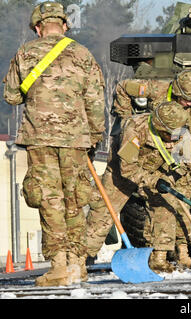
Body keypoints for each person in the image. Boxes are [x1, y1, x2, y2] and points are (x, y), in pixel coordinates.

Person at [2, 1, 105, 287]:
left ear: (37, 27)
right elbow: (96, 101)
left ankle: (58, 265)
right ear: (65, 25)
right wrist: (94, 137)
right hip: (75, 140)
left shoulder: (25, 53)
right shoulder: (83, 54)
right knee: (75, 200)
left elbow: (11, 95)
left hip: (39, 138)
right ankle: (77, 264)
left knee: (50, 200)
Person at [85, 71, 191, 267]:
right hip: (122, 173)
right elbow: (127, 169)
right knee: (101, 213)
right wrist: (124, 120)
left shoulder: (181, 130)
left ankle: (159, 258)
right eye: (185, 99)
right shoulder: (134, 131)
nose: (189, 104)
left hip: (156, 168)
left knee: (165, 203)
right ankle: (82, 258)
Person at [118, 101, 191, 272]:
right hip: (134, 171)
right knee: (163, 202)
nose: (176, 139)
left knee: (181, 197)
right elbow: (127, 168)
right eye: (171, 135)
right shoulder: (135, 130)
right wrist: (152, 181)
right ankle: (159, 256)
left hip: (164, 170)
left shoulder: (179, 133)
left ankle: (181, 253)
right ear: (159, 128)